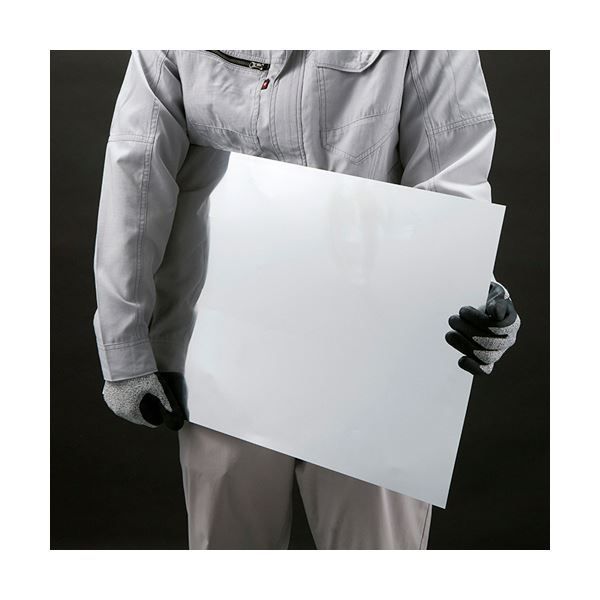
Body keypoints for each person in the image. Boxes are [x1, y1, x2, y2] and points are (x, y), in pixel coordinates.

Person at [94, 50, 521, 550]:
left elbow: (451, 173)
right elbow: (139, 166)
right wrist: (126, 350)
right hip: (225, 354)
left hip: (376, 361)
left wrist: (472, 290)